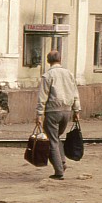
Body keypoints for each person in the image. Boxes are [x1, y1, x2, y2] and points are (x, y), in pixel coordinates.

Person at [35, 49, 80, 180]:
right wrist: (76, 110)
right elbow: (75, 92)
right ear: (60, 60)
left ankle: (59, 171)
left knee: (52, 140)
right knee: (56, 137)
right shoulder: (69, 74)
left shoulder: (47, 76)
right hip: (67, 111)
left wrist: (39, 114)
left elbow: (42, 96)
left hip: (52, 112)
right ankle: (63, 162)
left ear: (48, 61)